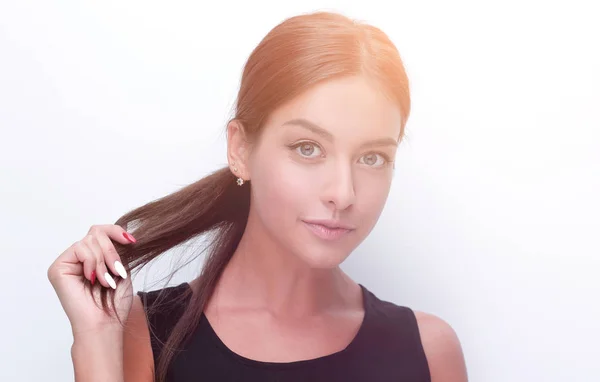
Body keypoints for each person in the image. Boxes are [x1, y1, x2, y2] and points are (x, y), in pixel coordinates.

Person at [48, 11, 468, 382]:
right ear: (240, 150)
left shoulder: (430, 353)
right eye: (308, 148)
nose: (343, 193)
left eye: (373, 157)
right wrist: (96, 342)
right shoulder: (144, 333)